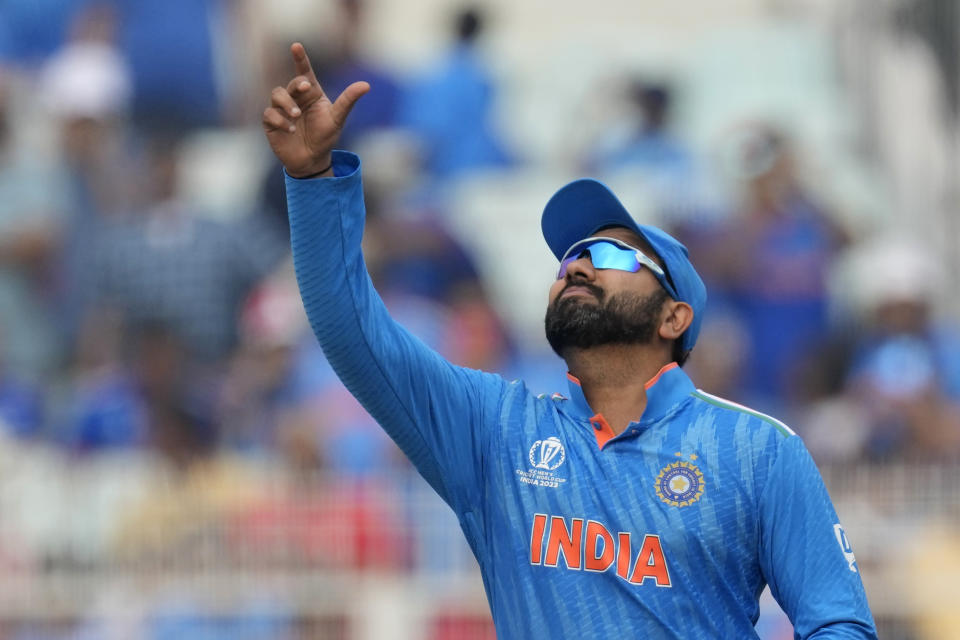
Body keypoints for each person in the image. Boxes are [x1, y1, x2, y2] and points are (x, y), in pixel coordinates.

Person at [262, 43, 877, 639]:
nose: (576, 266)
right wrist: (314, 180)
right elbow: (353, 332)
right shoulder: (496, 433)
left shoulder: (759, 451)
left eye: (609, 253)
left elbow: (840, 624)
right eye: (569, 258)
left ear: (674, 318)